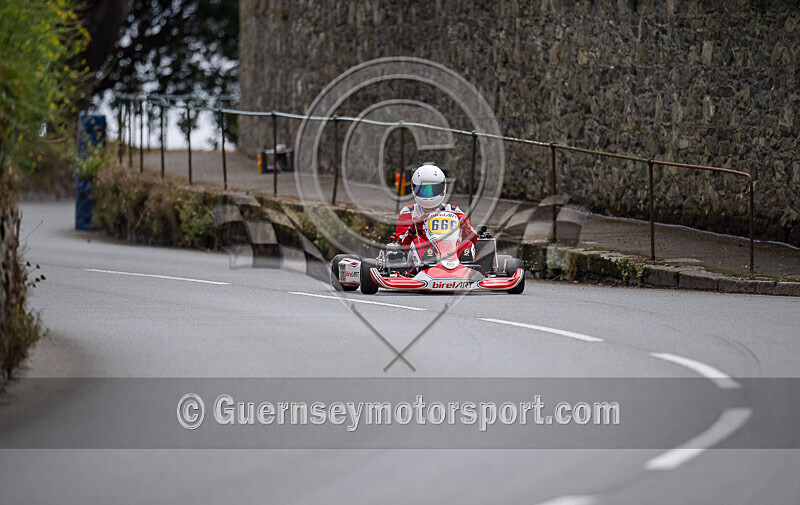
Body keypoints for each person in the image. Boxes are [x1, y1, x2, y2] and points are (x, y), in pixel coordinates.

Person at [395, 163, 477, 265]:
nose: (429, 195)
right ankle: (426, 268)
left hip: (451, 251)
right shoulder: (408, 212)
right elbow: (403, 244)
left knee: (467, 243)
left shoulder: (454, 211)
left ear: (442, 188)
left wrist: (466, 227)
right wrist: (413, 229)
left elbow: (474, 239)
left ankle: (465, 267)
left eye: (433, 190)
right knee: (417, 243)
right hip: (424, 257)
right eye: (423, 190)